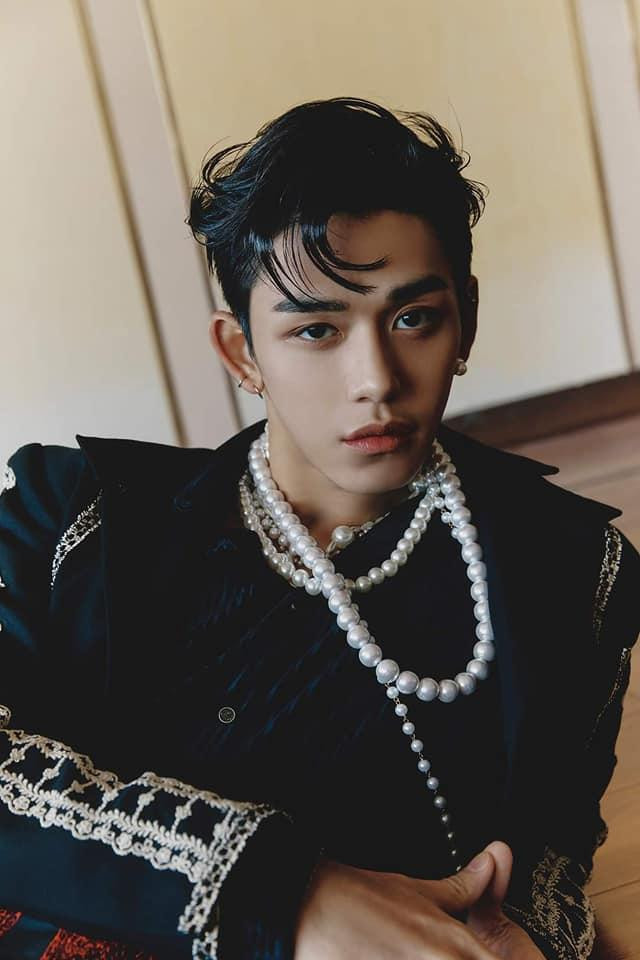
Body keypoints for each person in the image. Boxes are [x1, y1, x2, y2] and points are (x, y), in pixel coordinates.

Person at [0, 96, 638, 960]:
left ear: (466, 320)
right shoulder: (73, 520)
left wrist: (525, 938)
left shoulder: (575, 568)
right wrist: (289, 891)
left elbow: (552, 856)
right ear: (241, 353)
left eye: (413, 318)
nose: (375, 379)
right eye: (315, 330)